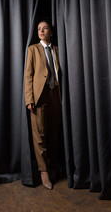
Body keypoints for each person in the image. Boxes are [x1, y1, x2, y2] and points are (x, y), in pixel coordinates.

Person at [24, 20, 62, 190]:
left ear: (51, 32)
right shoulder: (33, 49)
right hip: (39, 96)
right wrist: (29, 99)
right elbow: (28, 75)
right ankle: (43, 170)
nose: (41, 31)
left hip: (56, 95)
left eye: (44, 28)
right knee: (39, 135)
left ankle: (55, 164)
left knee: (55, 132)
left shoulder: (57, 50)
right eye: (39, 29)